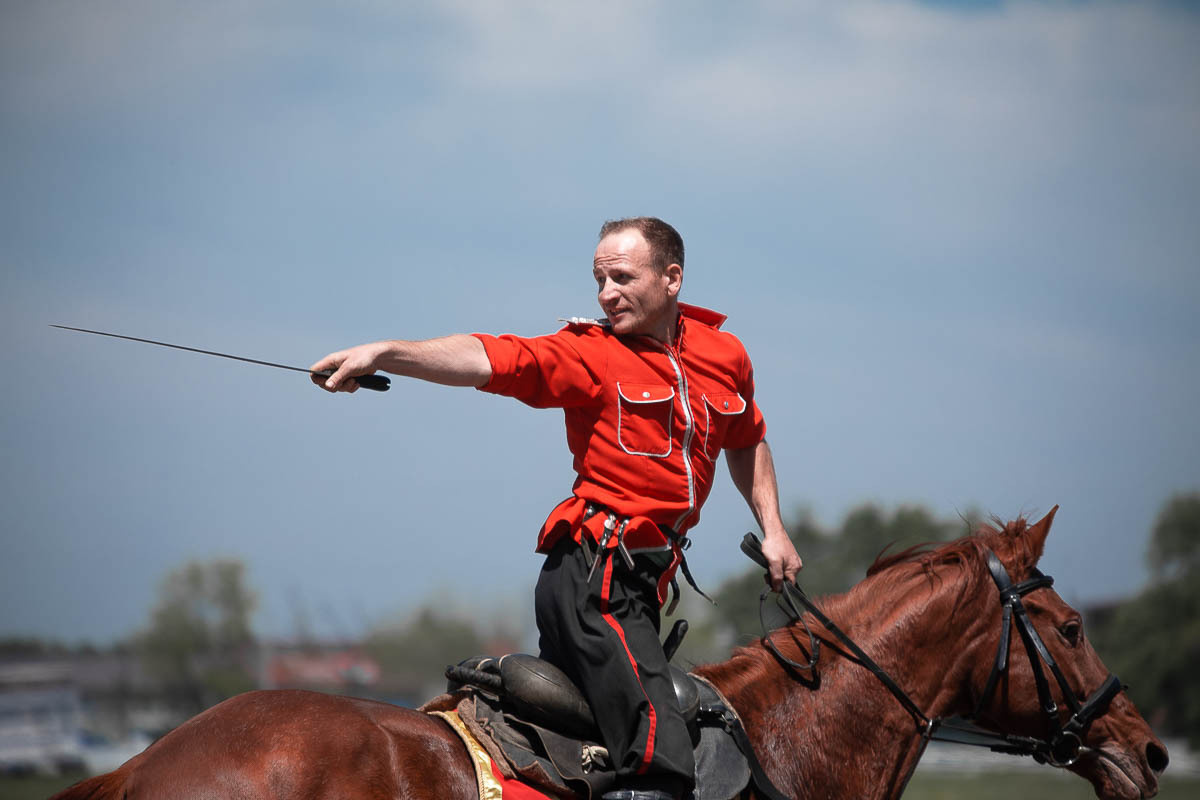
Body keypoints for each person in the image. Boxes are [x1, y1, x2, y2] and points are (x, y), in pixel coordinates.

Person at [311, 217, 803, 800]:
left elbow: (746, 437)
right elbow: (492, 357)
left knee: (603, 743)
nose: (605, 294)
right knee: (660, 751)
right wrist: (389, 352)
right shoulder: (588, 353)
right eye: (598, 280)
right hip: (594, 579)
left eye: (621, 277)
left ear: (672, 278)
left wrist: (773, 528)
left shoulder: (726, 355)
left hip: (641, 588)